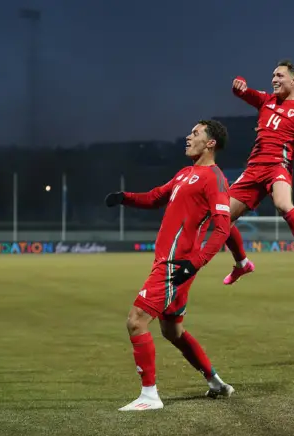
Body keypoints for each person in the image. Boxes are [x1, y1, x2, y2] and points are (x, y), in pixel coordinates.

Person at [104, 120, 235, 411]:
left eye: (196, 133)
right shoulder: (185, 173)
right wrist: (125, 198)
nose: (188, 137)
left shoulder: (215, 179)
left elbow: (222, 229)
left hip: (175, 265)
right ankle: (216, 383)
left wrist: (195, 263)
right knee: (173, 332)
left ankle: (149, 396)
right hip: (174, 264)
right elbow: (155, 198)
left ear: (210, 143)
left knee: (136, 321)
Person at [221, 60, 294, 285]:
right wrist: (240, 84)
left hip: (278, 167)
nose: (274, 79)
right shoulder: (266, 100)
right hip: (254, 168)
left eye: (280, 76)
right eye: (273, 75)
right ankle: (242, 264)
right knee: (222, 218)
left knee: (284, 204)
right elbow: (241, 92)